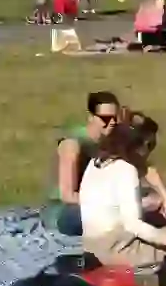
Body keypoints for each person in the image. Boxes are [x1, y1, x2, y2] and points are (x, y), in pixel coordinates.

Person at [79, 123, 166, 269]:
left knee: (156, 218)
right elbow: (133, 225)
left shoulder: (96, 162)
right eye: (147, 146)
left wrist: (165, 198)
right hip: (115, 249)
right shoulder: (126, 170)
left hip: (90, 244)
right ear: (136, 147)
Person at [47, 91, 121, 234]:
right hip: (65, 212)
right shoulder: (72, 145)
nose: (111, 122)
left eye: (115, 118)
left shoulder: (111, 143)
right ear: (91, 118)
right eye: (105, 118)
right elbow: (67, 195)